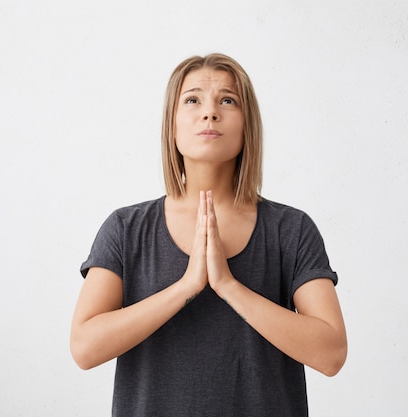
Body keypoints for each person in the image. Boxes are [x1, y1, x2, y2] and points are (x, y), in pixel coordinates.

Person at [70, 53, 347, 416]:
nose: (210, 112)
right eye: (193, 99)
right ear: (171, 125)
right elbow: (84, 348)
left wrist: (229, 286)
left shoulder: (291, 230)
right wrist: (186, 287)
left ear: (248, 125)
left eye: (227, 100)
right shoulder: (126, 228)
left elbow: (331, 354)